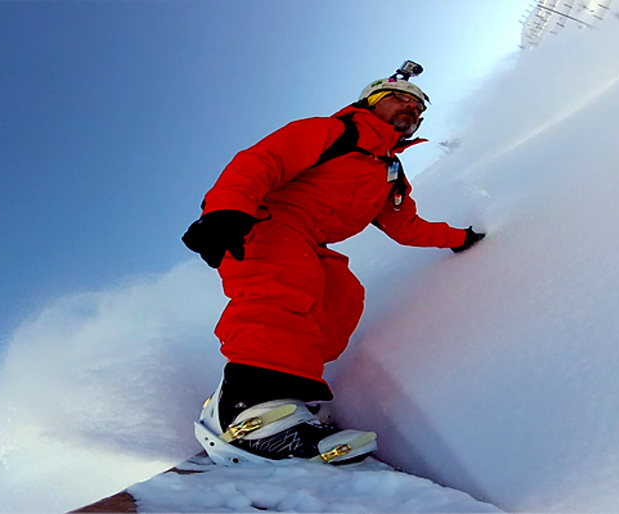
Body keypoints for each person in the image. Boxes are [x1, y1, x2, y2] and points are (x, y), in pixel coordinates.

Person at [182, 61, 485, 466]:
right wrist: (226, 211)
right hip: (261, 221)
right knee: (287, 281)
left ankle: (287, 399)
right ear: (372, 102)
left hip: (311, 240)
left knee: (342, 297)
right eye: (399, 99)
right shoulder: (335, 131)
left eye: (416, 109)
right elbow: (263, 160)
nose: (410, 110)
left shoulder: (390, 172)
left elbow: (406, 227)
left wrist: (458, 238)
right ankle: (246, 409)